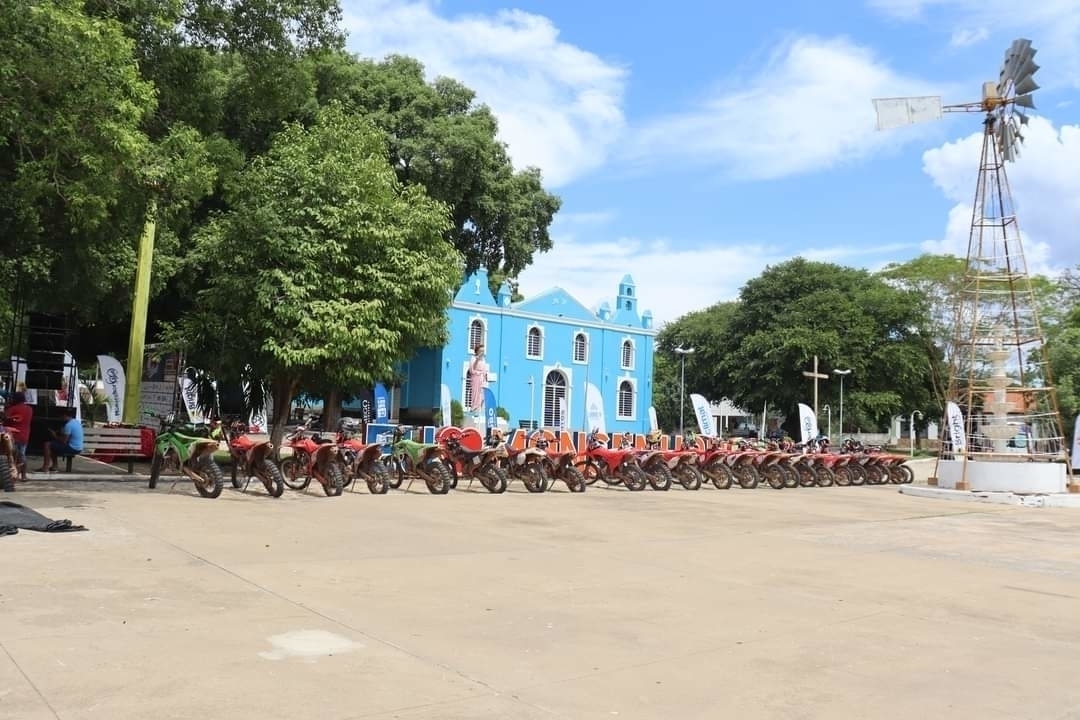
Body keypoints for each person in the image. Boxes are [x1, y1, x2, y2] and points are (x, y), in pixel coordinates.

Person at [39, 407, 83, 472]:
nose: (61, 418)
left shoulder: (68, 425)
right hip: (78, 447)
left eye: (61, 416)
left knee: (47, 444)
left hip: (73, 448)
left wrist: (54, 435)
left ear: (65, 415)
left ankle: (45, 467)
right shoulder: (76, 422)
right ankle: (55, 466)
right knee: (54, 445)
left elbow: (63, 441)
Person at [2, 391, 33, 481]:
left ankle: (12, 476)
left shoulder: (12, 409)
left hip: (12, 436)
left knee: (10, 455)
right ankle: (23, 475)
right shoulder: (29, 409)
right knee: (22, 455)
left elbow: (4, 418)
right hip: (25, 436)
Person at [467, 344, 488, 413]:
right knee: (476, 393)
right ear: (477, 351)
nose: (482, 352)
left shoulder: (484, 359)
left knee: (482, 395)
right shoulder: (473, 358)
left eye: (483, 351)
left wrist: (485, 377)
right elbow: (471, 369)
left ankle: (480, 409)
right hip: (476, 377)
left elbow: (484, 370)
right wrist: (477, 359)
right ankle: (474, 408)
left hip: (482, 378)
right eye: (481, 351)